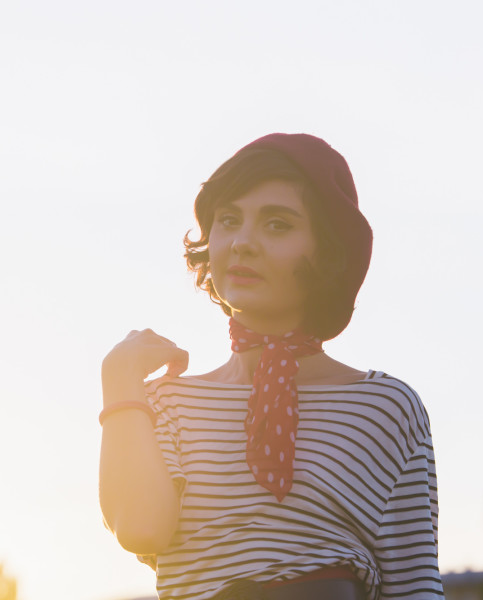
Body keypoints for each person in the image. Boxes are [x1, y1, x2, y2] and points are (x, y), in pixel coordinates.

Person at [99, 133, 443, 600]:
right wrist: (119, 381)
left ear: (327, 250)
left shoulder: (384, 408)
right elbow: (141, 528)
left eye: (277, 225)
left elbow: (415, 585)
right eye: (228, 220)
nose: (242, 242)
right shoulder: (167, 403)